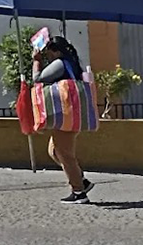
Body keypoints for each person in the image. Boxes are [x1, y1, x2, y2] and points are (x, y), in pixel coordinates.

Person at [34, 36, 95, 203]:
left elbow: (37, 79)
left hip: (66, 116)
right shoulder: (70, 63)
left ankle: (79, 192)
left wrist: (36, 61)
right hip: (69, 115)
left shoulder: (60, 64)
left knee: (64, 154)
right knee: (54, 151)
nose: (47, 56)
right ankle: (82, 181)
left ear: (56, 51)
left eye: (48, 53)